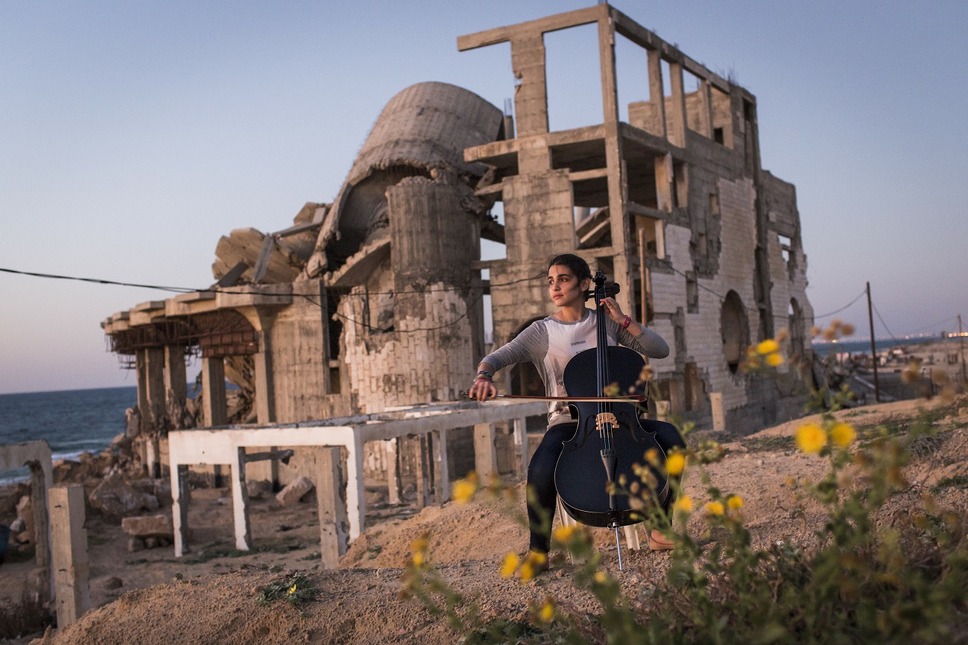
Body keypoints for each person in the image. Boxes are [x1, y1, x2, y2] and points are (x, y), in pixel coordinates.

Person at [469, 253, 684, 567]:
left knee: (673, 439)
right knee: (541, 469)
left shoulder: (607, 324)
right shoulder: (541, 332)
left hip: (620, 417)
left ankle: (660, 529)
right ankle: (538, 552)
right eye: (550, 282)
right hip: (570, 422)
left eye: (564, 279)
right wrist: (484, 376)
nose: (555, 287)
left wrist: (624, 320)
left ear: (585, 284)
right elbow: (497, 357)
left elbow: (659, 350)